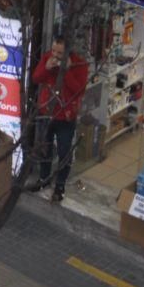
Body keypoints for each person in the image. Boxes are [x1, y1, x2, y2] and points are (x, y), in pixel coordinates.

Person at [28, 38, 90, 202]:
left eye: (59, 53)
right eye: (54, 51)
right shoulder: (48, 57)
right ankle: (44, 179)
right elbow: (35, 78)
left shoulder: (79, 65)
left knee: (64, 152)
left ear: (68, 52)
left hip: (65, 117)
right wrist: (47, 68)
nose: (55, 55)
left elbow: (79, 91)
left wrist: (66, 71)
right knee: (44, 148)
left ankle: (60, 186)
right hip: (46, 112)